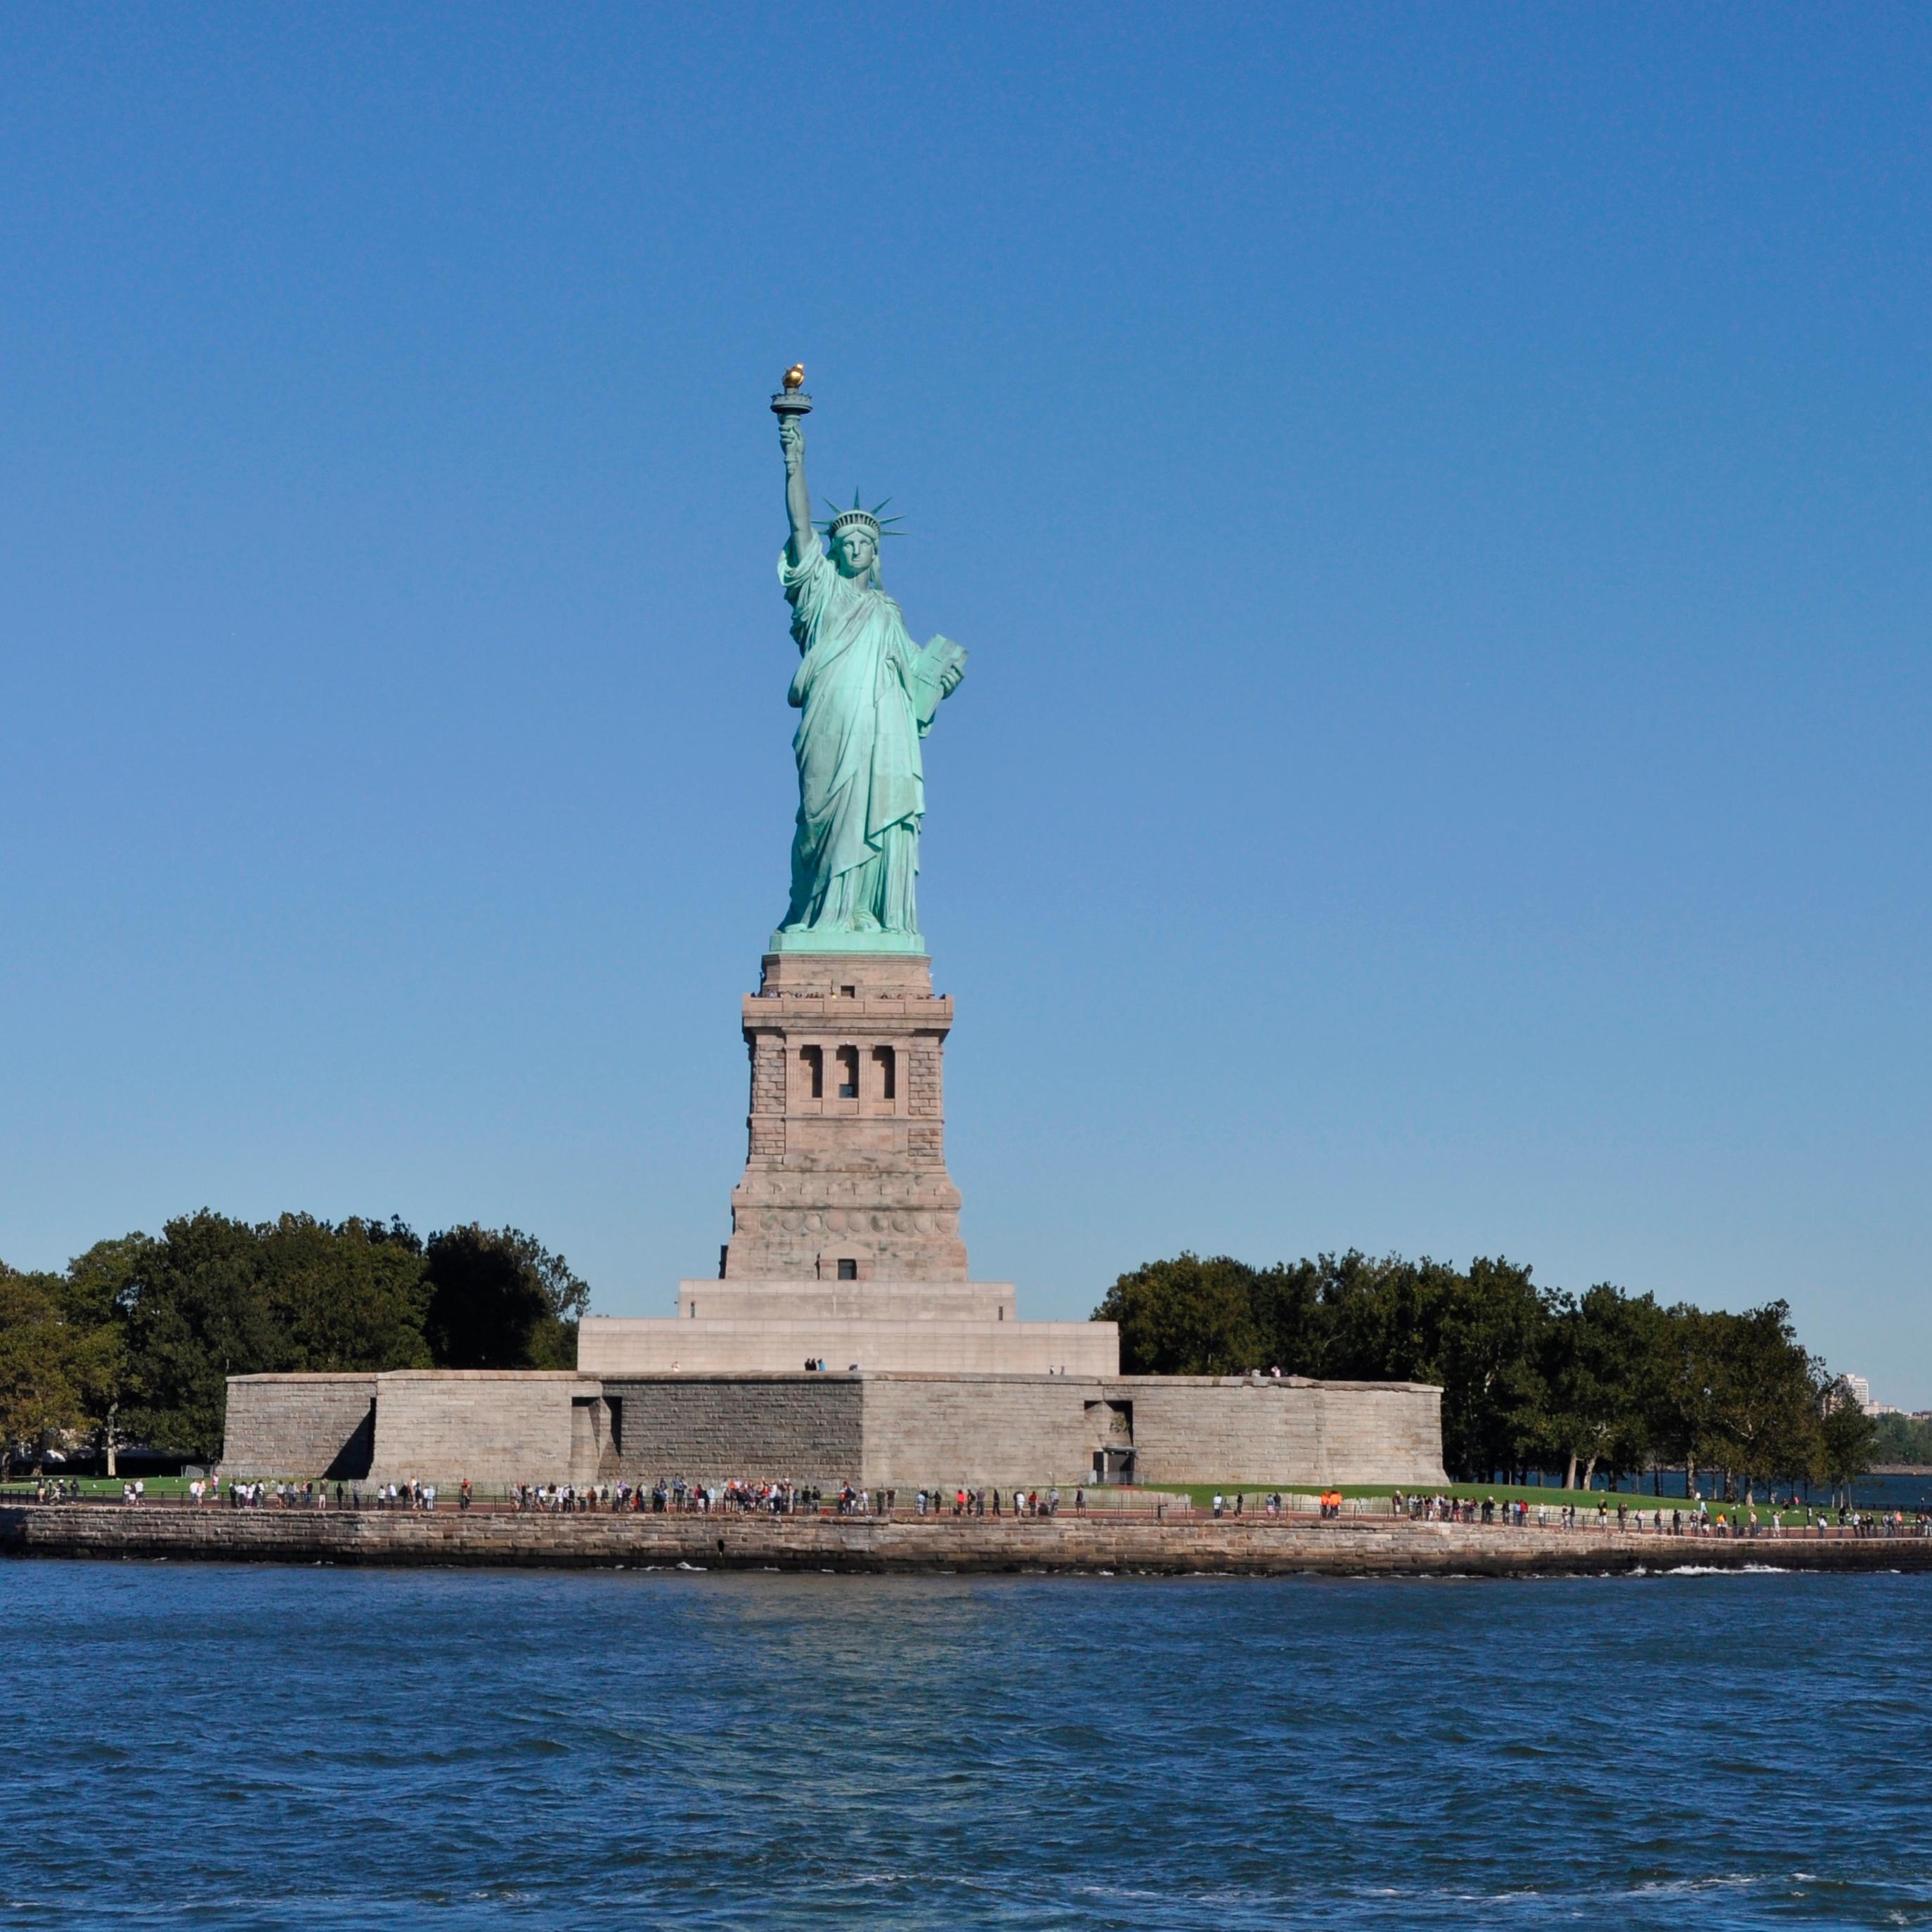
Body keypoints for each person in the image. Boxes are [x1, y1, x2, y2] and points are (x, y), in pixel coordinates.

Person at [772, 403, 966, 940]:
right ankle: (819, 913)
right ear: (831, 550)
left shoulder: (887, 614)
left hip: (881, 732)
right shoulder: (820, 592)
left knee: (871, 807)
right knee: (821, 818)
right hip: (831, 718)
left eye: (865, 544)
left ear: (875, 555)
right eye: (845, 542)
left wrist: (940, 681)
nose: (854, 548)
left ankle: (863, 911)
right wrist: (794, 457)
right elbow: (797, 523)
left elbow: (916, 689)